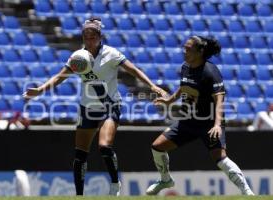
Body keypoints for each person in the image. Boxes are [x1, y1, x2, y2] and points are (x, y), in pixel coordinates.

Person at [23, 17, 167, 196]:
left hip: (110, 106)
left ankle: (115, 183)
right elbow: (60, 76)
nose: (89, 40)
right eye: (86, 36)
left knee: (104, 147)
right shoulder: (78, 58)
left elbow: (134, 70)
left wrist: (152, 86)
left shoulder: (111, 54)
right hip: (87, 108)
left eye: (92, 36)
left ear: (100, 37)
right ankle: (79, 195)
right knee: (80, 155)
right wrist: (41, 89)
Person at [146, 36, 255, 196]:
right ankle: (165, 179)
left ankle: (247, 192)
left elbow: (219, 100)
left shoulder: (210, 71)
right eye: (184, 48)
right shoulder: (185, 67)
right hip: (188, 120)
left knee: (220, 159)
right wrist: (169, 100)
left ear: (200, 52)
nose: (184, 51)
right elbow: (184, 87)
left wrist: (217, 125)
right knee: (157, 147)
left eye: (188, 49)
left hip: (209, 122)